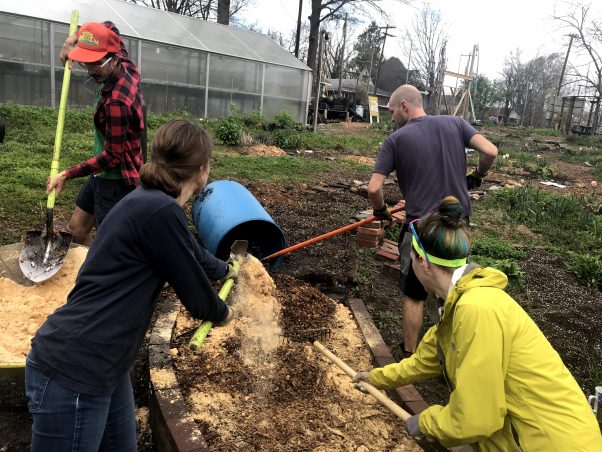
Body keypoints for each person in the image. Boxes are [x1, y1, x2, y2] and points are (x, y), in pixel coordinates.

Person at [25, 120, 239, 451]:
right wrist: (227, 313)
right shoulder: (160, 211)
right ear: (202, 169)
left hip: (106, 364)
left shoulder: (148, 201)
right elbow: (199, 300)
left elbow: (191, 253)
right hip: (76, 370)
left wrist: (228, 269)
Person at [353, 196, 602, 451]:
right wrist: (375, 378)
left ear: (423, 262)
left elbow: (476, 417)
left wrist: (426, 422)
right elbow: (424, 361)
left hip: (550, 443)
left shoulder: (477, 310)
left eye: (411, 259)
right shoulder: (456, 305)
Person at [367, 84, 498, 355]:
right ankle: (450, 355)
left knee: (415, 294)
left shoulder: (396, 140)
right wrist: (479, 175)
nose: (391, 118)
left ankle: (410, 352)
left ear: (404, 106)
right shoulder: (456, 123)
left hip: (421, 230)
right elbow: (491, 152)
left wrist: (381, 211)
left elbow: (373, 188)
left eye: (392, 111)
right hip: (457, 224)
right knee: (450, 289)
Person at [48, 21, 145, 246]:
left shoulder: (117, 103)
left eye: (97, 64)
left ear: (113, 58)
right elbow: (108, 26)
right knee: (76, 229)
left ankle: (105, 274)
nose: (91, 70)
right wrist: (71, 40)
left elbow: (112, 157)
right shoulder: (124, 61)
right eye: (86, 62)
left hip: (114, 180)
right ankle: (95, 265)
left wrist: (67, 174)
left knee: (108, 243)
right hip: (100, 174)